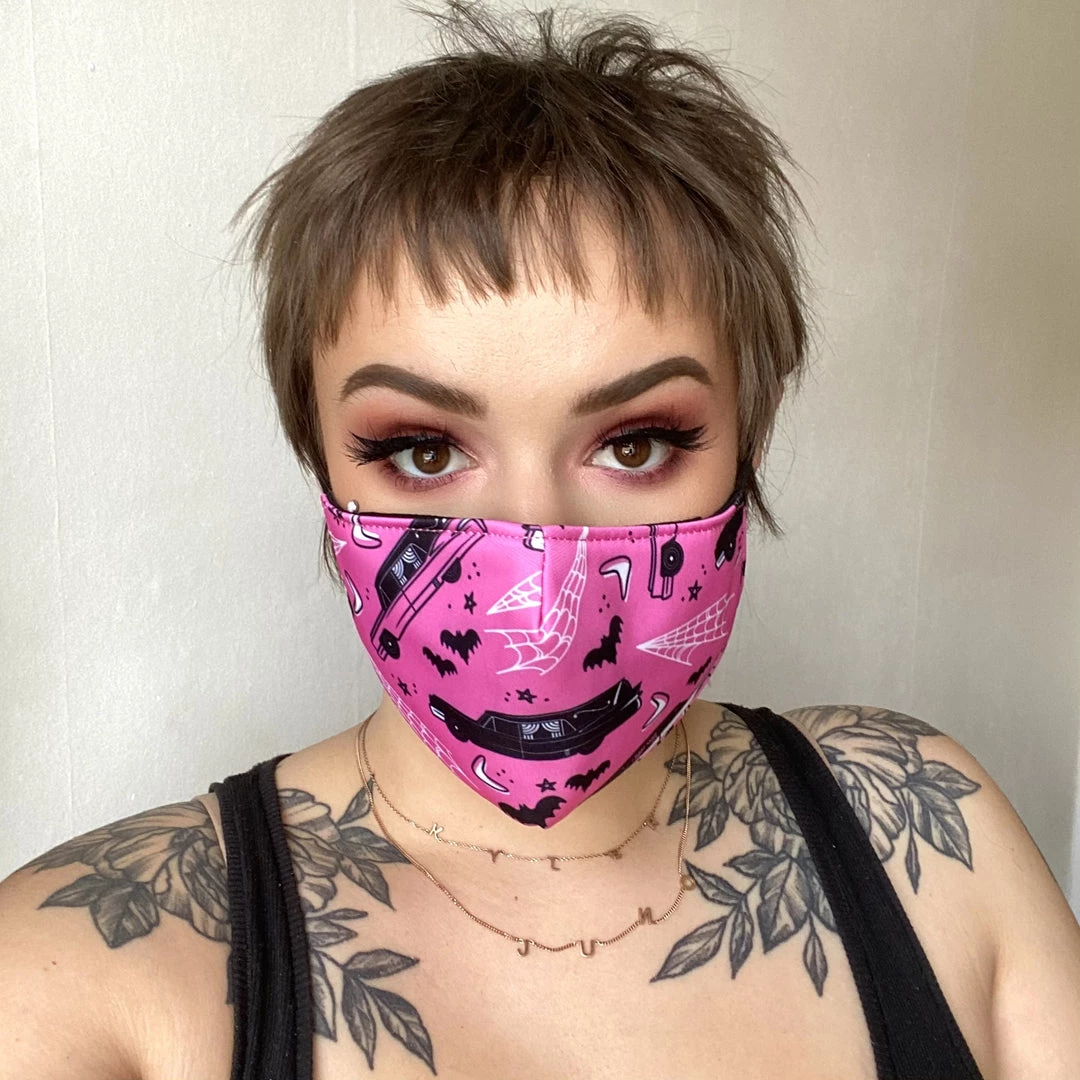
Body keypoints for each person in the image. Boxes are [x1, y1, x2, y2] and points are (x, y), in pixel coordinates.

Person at [2, 2, 1079, 1077]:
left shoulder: (926, 829)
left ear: (747, 441)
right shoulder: (81, 980)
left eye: (637, 443)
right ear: (320, 459)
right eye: (425, 450)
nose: (537, 545)